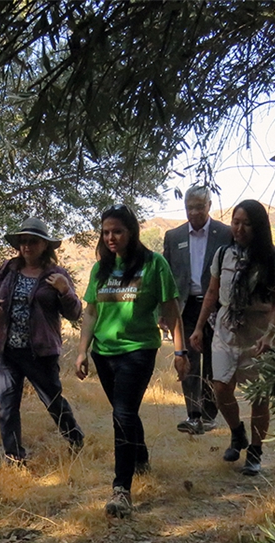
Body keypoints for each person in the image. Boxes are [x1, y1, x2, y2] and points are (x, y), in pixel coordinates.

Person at [75, 204, 189, 518]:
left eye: (117, 231)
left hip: (138, 350)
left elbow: (171, 311)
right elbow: (91, 312)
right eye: (105, 232)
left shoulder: (154, 264)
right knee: (123, 412)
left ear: (131, 232)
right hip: (104, 353)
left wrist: (180, 353)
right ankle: (140, 458)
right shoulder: (101, 268)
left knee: (122, 413)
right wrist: (83, 350)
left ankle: (121, 490)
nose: (110, 238)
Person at [189, 200, 275, 476]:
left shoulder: (274, 260)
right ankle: (237, 433)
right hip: (226, 328)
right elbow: (212, 293)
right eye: (235, 222)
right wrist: (198, 328)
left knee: (260, 397)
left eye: (246, 224)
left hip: (259, 332)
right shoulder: (223, 254)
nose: (239, 229)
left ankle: (255, 451)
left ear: (259, 227)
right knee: (220, 387)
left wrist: (270, 334)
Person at [0, 217, 85, 465]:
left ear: (45, 245)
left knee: (52, 401)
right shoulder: (9, 269)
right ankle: (14, 458)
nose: (27, 246)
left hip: (40, 352)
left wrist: (65, 290)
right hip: (8, 349)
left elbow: (75, 313)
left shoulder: (56, 275)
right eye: (23, 241)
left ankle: (75, 438)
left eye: (33, 241)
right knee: (7, 406)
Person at [163, 185, 233, 435]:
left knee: (214, 360)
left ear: (209, 206)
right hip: (186, 306)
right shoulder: (174, 236)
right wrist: (163, 313)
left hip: (216, 306)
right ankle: (193, 415)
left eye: (199, 207)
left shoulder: (225, 234)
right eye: (189, 208)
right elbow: (166, 276)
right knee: (188, 360)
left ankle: (209, 414)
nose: (194, 212)